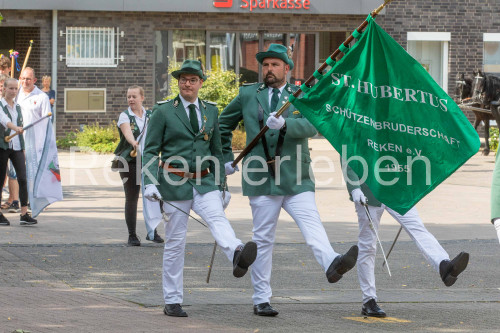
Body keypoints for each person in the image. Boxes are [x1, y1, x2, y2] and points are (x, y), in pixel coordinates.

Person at [218, 44, 358, 317]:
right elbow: (223, 124)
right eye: (266, 64)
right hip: (261, 176)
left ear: (287, 68)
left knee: (311, 222)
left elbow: (314, 125)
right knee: (263, 239)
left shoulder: (301, 94)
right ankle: (261, 299)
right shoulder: (248, 94)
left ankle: (332, 262)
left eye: (275, 64)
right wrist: (225, 155)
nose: (269, 69)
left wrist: (286, 125)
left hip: (296, 176)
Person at [142, 59, 258, 318]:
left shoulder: (211, 111)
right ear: (178, 82)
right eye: (183, 79)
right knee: (175, 242)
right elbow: (150, 150)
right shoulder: (162, 111)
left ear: (201, 83)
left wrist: (223, 185)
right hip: (174, 181)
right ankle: (172, 300)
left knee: (217, 218)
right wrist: (150, 181)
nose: (187, 83)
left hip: (205, 180)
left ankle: (237, 252)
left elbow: (216, 151)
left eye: (193, 79)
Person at [343, 163, 469, 317]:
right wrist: (354, 186)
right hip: (367, 189)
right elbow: (347, 151)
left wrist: (412, 181)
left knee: (417, 227)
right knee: (368, 245)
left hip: (397, 189)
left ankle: (444, 265)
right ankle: (369, 300)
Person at [114, 85, 164, 246]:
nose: (131, 100)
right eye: (128, 97)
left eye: (134, 96)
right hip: (129, 161)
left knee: (154, 195)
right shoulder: (125, 116)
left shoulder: (150, 115)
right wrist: (133, 142)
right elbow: (127, 132)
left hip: (149, 160)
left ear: (142, 98)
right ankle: (132, 235)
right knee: (132, 198)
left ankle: (153, 231)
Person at [18, 67, 63, 217]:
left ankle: (36, 200)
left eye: (28, 79)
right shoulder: (16, 93)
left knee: (34, 173)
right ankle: (19, 201)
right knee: (19, 175)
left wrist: (43, 143)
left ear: (34, 80)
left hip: (36, 142)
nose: (25, 81)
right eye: (23, 78)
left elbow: (46, 120)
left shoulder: (42, 96)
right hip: (17, 142)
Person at [0, 78, 37, 225]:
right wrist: (15, 128)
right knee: (0, 180)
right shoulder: (0, 105)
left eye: (16, 89)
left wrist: (20, 129)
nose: (14, 91)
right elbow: (4, 121)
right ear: (4, 88)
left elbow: (21, 123)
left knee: (22, 178)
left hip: (16, 147)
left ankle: (24, 214)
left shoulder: (18, 107)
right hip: (2, 146)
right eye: (11, 88)